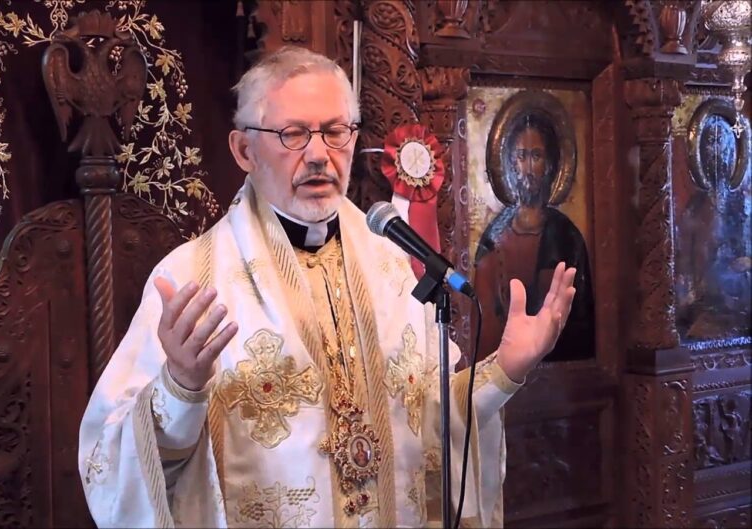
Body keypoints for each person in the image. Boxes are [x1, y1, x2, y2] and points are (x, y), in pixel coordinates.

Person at [78, 46, 577, 528]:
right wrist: (180, 386)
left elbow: (432, 425)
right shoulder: (191, 279)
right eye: (293, 134)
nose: (319, 154)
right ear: (245, 150)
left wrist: (506, 370)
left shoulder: (390, 266)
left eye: (336, 131)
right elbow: (112, 467)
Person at [473, 113, 593, 362]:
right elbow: (483, 322)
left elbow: (581, 322)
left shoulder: (567, 237)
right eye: (521, 156)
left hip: (561, 372)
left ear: (549, 165)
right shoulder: (494, 237)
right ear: (510, 163)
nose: (528, 169)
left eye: (536, 156)